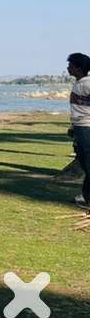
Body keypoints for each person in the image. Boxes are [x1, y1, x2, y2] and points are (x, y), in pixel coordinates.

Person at [65, 52, 90, 208]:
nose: (68, 68)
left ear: (78, 68)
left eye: (71, 65)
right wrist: (73, 128)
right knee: (85, 164)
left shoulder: (87, 84)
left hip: (86, 128)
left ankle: (87, 199)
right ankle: (86, 196)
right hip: (80, 128)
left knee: (88, 165)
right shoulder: (80, 83)